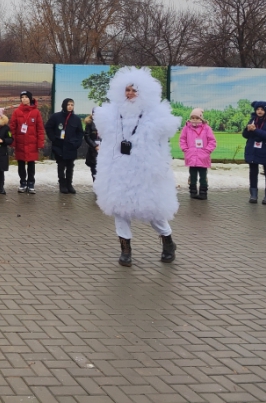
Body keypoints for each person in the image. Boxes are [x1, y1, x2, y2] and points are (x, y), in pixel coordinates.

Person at [93, 67, 181, 267]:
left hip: (145, 169)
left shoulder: (156, 115)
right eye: (127, 90)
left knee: (153, 212)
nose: (130, 94)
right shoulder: (111, 114)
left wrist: (159, 168)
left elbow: (161, 146)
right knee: (120, 210)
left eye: (134, 90)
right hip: (119, 169)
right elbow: (107, 141)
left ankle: (168, 242)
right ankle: (125, 250)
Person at [242, 101, 266, 205]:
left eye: (262, 109)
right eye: (258, 109)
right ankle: (253, 195)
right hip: (253, 149)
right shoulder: (253, 119)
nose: (259, 111)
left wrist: (255, 130)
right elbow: (245, 135)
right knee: (253, 172)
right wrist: (247, 129)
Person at [45, 98, 84, 194]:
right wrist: (53, 139)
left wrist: (77, 143)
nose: (70, 106)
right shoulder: (56, 116)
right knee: (61, 165)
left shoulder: (76, 119)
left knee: (70, 166)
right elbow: (48, 127)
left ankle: (69, 184)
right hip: (59, 146)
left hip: (71, 146)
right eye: (68, 104)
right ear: (64, 105)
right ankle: (62, 184)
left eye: (72, 104)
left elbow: (80, 132)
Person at [9, 90, 45, 194]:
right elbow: (13, 128)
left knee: (31, 164)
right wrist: (13, 141)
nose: (24, 99)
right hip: (20, 143)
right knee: (21, 164)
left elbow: (40, 129)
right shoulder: (16, 112)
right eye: (22, 97)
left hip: (32, 143)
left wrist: (40, 142)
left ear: (30, 98)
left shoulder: (36, 112)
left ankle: (31, 183)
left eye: (26, 97)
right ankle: (22, 183)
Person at [179, 108, 217, 200]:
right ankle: (193, 192)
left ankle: (203, 193)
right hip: (191, 156)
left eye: (197, 118)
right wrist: (185, 149)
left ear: (201, 119)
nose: (194, 120)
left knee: (203, 176)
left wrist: (207, 151)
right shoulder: (186, 128)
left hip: (203, 157)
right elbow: (182, 139)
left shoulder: (206, 128)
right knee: (192, 175)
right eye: (192, 118)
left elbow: (212, 141)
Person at [83, 115, 100, 181]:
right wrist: (94, 145)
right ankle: (96, 184)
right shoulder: (90, 123)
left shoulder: (105, 122)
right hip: (93, 149)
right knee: (94, 167)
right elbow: (87, 136)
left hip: (103, 148)